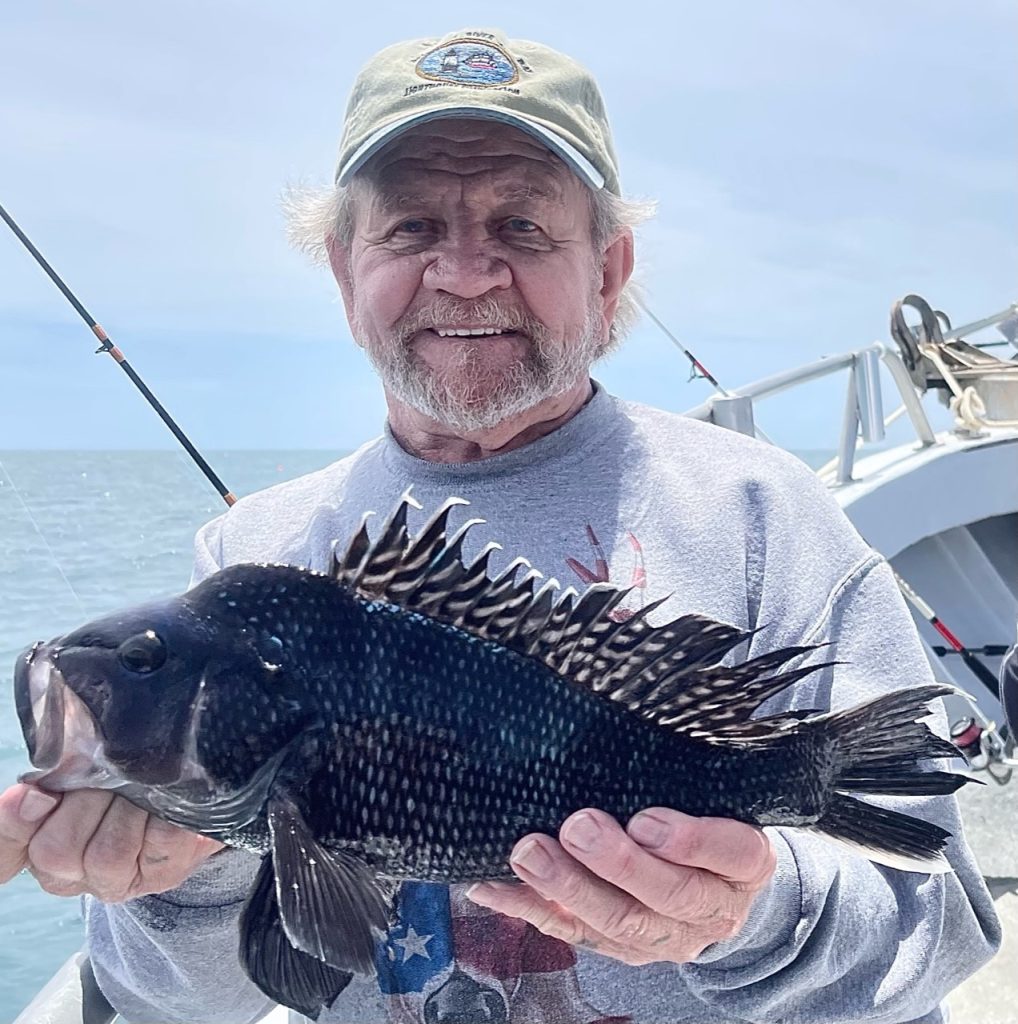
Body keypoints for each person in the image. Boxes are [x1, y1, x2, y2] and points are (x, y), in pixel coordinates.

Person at [0, 27, 1001, 1024]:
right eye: (410, 229)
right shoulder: (252, 552)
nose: (465, 272)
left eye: (522, 228)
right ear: (347, 272)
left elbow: (939, 928)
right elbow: (172, 1001)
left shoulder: (762, 514)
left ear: (608, 271)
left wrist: (755, 907)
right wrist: (185, 869)